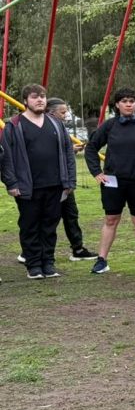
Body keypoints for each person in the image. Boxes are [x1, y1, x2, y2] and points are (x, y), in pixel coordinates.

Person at [0, 84, 76, 279]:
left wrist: (70, 181)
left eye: (43, 96)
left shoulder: (56, 124)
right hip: (28, 187)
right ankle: (33, 266)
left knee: (50, 226)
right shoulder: (14, 125)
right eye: (35, 97)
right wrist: (12, 183)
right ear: (26, 101)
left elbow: (68, 152)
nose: (40, 100)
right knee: (30, 226)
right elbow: (6, 157)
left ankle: (48, 264)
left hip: (55, 184)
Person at [85, 88, 135, 275]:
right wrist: (96, 172)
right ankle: (101, 260)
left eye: (132, 101)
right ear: (117, 104)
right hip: (112, 181)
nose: (128, 104)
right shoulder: (109, 125)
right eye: (124, 101)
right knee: (111, 219)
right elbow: (91, 148)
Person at [45, 97, 96, 260]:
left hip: (65, 181)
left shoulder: (60, 128)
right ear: (51, 113)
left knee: (71, 215)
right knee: (48, 219)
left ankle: (78, 249)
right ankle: (32, 252)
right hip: (51, 182)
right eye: (63, 112)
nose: (66, 115)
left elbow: (60, 151)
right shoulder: (45, 129)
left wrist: (70, 149)